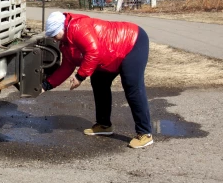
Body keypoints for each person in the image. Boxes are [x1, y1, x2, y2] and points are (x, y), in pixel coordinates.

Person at [41, 11, 153, 148]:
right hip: (110, 54)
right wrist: (46, 85)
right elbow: (67, 65)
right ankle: (104, 125)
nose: (54, 39)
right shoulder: (65, 42)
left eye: (54, 34)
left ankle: (145, 133)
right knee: (99, 82)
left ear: (62, 28)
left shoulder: (78, 28)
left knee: (132, 87)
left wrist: (79, 76)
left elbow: (93, 52)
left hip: (132, 41)